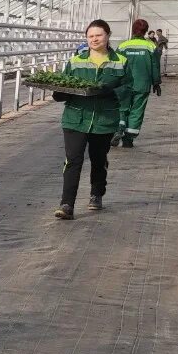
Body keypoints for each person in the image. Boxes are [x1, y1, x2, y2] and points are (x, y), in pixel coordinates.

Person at [50, 20, 133, 220]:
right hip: (75, 118)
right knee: (73, 160)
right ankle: (67, 204)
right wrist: (60, 93)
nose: (94, 39)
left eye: (99, 35)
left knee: (98, 159)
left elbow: (128, 89)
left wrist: (110, 89)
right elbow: (65, 84)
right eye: (90, 36)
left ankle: (96, 194)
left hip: (104, 119)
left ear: (108, 35)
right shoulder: (76, 60)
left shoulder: (121, 61)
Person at [114, 19, 162, 149]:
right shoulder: (151, 47)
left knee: (121, 108)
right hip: (142, 84)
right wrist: (156, 83)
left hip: (123, 84)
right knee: (137, 110)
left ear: (133, 30)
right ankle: (128, 139)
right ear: (146, 31)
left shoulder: (123, 46)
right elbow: (155, 66)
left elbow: (115, 65)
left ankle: (117, 131)